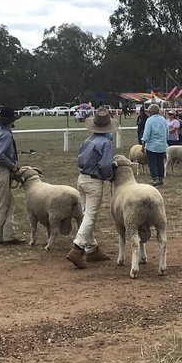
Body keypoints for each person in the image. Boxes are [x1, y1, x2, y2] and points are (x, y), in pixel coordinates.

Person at [66, 107, 118, 269]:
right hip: (94, 181)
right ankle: (78, 248)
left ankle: (92, 248)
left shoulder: (88, 140)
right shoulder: (106, 143)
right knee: (90, 215)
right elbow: (105, 164)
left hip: (82, 178)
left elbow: (80, 159)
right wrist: (110, 175)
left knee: (85, 213)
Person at [0, 106, 24, 245]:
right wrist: (12, 166)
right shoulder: (6, 135)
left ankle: (7, 234)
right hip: (2, 170)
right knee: (3, 204)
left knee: (8, 203)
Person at [139, 103, 168, 187]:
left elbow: (146, 134)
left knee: (152, 163)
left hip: (152, 146)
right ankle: (161, 179)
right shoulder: (163, 119)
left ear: (150, 111)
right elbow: (167, 131)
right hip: (162, 145)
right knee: (160, 162)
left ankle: (155, 180)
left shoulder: (149, 120)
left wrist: (143, 145)